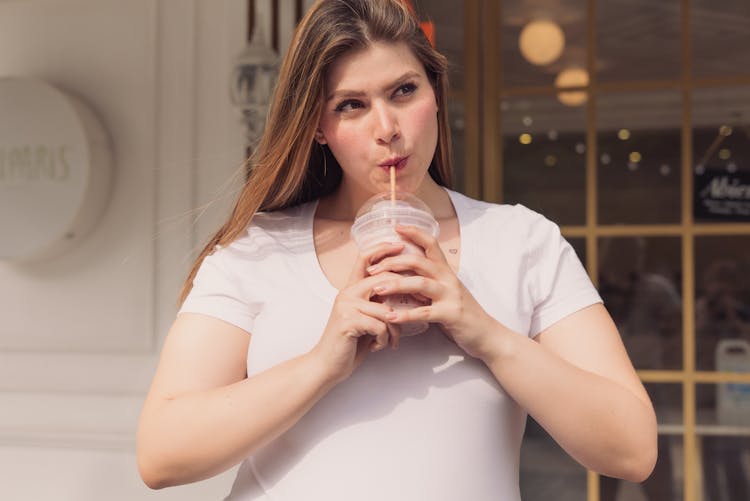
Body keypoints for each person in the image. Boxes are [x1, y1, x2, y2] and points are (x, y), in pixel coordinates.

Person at [136, 1, 657, 499]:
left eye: (403, 91)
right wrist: (321, 363)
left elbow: (632, 450)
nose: (386, 129)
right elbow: (161, 456)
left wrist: (487, 334)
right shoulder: (259, 250)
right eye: (351, 106)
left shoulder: (522, 241)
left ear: (435, 92)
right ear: (318, 126)